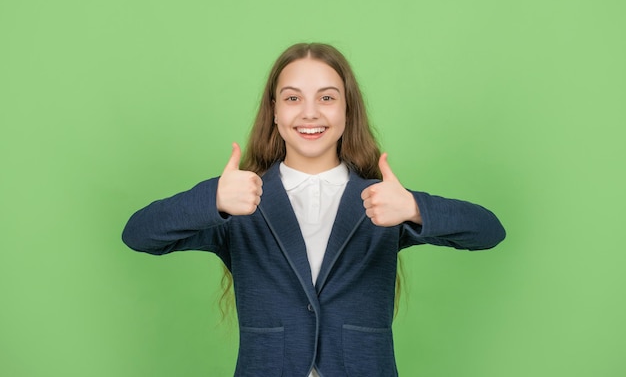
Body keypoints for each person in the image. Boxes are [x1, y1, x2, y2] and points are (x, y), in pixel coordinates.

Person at [122, 42, 506, 377]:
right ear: (274, 111)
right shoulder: (240, 200)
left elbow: (488, 231)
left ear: (347, 111)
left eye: (326, 97)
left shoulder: (383, 199)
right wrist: (213, 199)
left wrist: (414, 208)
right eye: (293, 98)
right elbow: (139, 234)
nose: (310, 113)